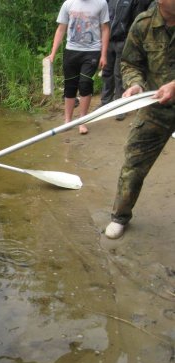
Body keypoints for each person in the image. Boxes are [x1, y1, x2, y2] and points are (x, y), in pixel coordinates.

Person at [104, 0, 175, 239]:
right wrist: (135, 85)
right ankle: (120, 217)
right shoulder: (143, 23)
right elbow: (130, 62)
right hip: (155, 108)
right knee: (133, 163)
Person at [47, 0, 110, 134]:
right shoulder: (68, 4)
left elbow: (105, 28)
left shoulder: (101, 3)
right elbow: (61, 29)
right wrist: (53, 53)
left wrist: (103, 55)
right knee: (70, 86)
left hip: (92, 51)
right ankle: (68, 121)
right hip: (71, 51)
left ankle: (82, 121)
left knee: (85, 83)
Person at [98, 0, 153, 121]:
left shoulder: (132, 1)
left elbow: (135, 21)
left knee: (120, 75)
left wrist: (130, 39)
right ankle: (105, 102)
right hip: (108, 40)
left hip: (123, 41)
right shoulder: (108, 1)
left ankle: (120, 106)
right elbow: (103, 18)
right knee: (106, 72)